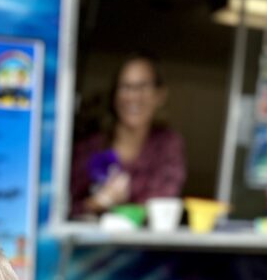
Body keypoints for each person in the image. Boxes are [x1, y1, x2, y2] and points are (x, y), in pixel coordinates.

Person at [70, 53, 186, 216]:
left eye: (143, 86)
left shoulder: (167, 144)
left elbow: (162, 203)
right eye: (125, 86)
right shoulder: (89, 147)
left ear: (160, 95)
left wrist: (120, 204)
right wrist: (97, 202)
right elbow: (63, 209)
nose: (133, 96)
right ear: (114, 95)